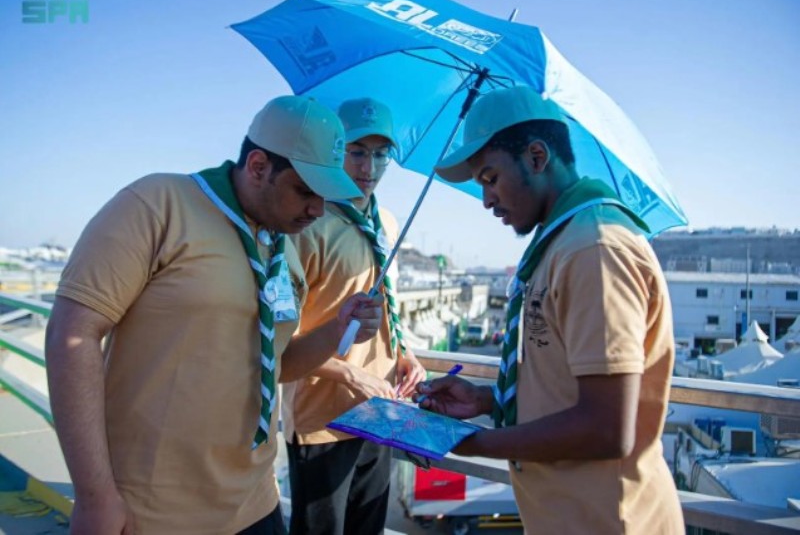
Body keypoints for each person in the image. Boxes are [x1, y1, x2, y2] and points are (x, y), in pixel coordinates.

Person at [44, 95, 385, 535]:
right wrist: (94, 496)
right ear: (258, 166)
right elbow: (72, 335)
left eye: (326, 196)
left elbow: (275, 364)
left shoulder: (284, 250)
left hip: (257, 503)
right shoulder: (157, 204)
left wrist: (336, 330)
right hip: (154, 507)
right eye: (305, 191)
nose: (318, 210)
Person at [417, 85, 684, 534]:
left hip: (609, 521)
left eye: (490, 178)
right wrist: (486, 400)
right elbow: (564, 386)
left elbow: (605, 427)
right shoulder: (561, 244)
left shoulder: (594, 248)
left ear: (537, 157)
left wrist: (472, 443)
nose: (486, 200)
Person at [282, 97, 426, 535]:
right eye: (357, 152)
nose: (369, 167)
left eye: (381, 154)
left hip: (379, 409)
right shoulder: (308, 222)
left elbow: (387, 305)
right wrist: (350, 374)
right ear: (335, 151)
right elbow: (280, 344)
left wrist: (404, 354)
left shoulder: (388, 222)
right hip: (322, 419)